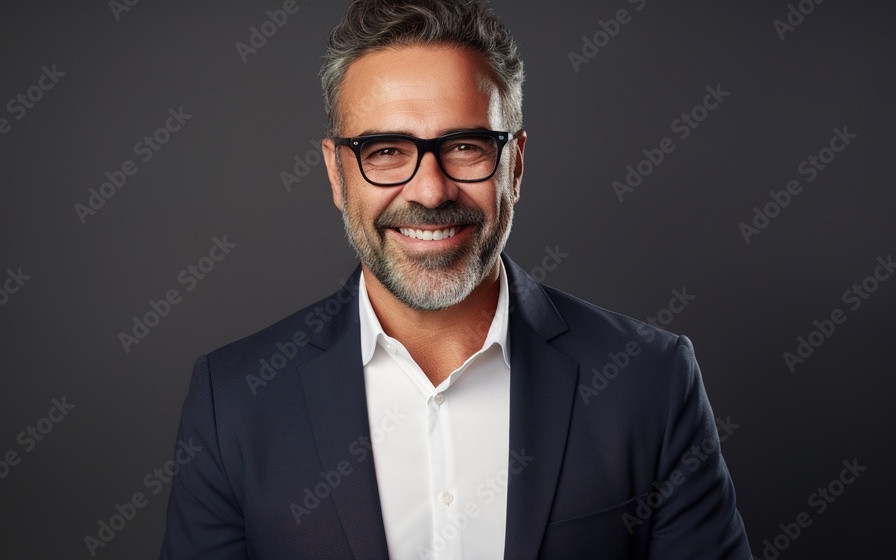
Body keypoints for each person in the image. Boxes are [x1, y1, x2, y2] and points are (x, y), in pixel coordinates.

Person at [160, 1, 751, 558]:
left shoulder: (651, 381)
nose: (430, 190)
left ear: (514, 166)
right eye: (386, 150)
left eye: (465, 146)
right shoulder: (233, 402)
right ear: (337, 175)